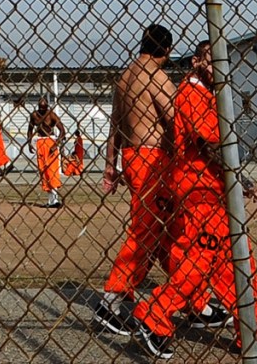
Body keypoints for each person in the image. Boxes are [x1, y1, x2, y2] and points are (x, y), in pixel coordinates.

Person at [133, 42, 257, 359]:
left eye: (223, 62)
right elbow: (208, 145)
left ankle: (253, 332)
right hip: (198, 192)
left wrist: (233, 180)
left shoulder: (208, 94)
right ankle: (153, 314)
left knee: (233, 267)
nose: (218, 68)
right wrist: (239, 177)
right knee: (198, 264)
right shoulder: (192, 92)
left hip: (213, 190)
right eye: (211, 61)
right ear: (195, 61)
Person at [95, 24, 178, 337]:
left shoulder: (126, 77)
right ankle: (112, 298)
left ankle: (196, 299)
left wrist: (109, 166)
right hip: (152, 159)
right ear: (166, 50)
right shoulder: (157, 77)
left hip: (130, 157)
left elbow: (115, 124)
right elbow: (175, 120)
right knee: (147, 229)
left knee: (164, 227)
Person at [25, 95, 67, 207]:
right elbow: (29, 130)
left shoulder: (51, 115)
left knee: (52, 170)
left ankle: (55, 199)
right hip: (40, 142)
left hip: (50, 141)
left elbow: (63, 131)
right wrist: (29, 143)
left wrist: (56, 144)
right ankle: (50, 200)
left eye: (44, 108)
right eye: (40, 108)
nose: (42, 110)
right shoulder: (34, 115)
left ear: (47, 106)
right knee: (43, 170)